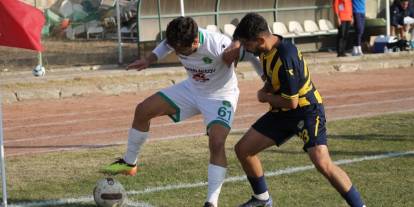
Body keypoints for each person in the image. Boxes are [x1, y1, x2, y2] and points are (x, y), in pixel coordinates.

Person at [100, 16, 263, 207]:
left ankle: (211, 202)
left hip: (221, 96)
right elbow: (166, 44)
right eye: (175, 48)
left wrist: (266, 80)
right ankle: (129, 163)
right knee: (143, 110)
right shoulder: (179, 39)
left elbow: (252, 55)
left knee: (217, 142)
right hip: (192, 90)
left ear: (195, 41)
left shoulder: (219, 45)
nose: (176, 52)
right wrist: (149, 59)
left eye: (180, 50)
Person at [223, 13, 366, 207]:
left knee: (322, 162)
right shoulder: (266, 49)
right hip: (283, 111)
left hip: (306, 110)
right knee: (243, 149)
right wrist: (265, 89)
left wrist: (263, 96)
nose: (247, 50)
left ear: (259, 40)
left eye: (248, 45)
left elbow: (292, 102)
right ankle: (262, 199)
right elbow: (273, 82)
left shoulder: (285, 56)